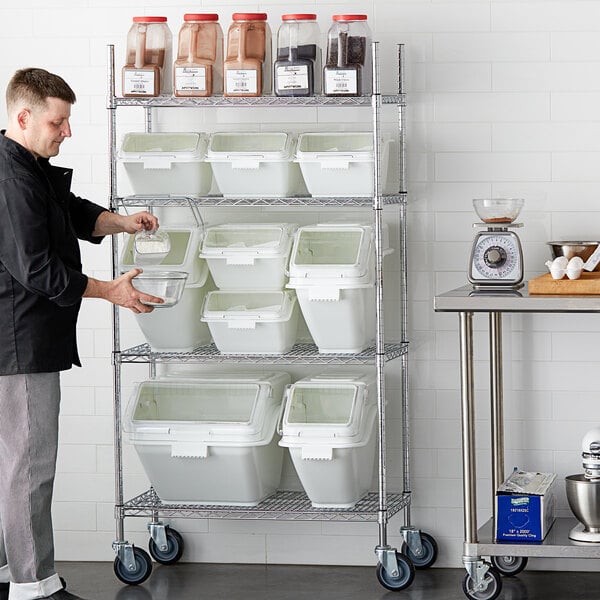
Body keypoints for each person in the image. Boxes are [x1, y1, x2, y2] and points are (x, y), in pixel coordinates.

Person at [0, 68, 164, 600]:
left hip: (23, 337)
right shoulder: (10, 180)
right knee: (31, 465)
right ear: (23, 117)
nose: (66, 130)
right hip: (19, 342)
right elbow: (38, 270)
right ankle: (35, 585)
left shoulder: (28, 165)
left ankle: (8, 571)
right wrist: (108, 291)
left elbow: (68, 212)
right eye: (58, 121)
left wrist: (122, 222)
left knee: (13, 463)